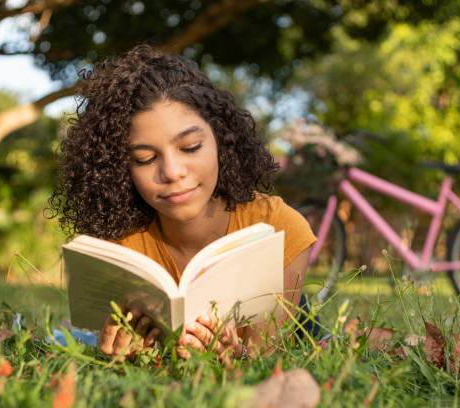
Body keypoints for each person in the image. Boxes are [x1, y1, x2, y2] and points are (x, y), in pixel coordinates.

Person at [49, 44, 316, 362]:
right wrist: (127, 357)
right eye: (145, 159)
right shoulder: (120, 248)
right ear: (121, 169)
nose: (173, 173)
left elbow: (265, 358)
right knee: (63, 340)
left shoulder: (280, 227)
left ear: (221, 139)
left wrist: (240, 354)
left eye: (190, 147)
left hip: (304, 329)